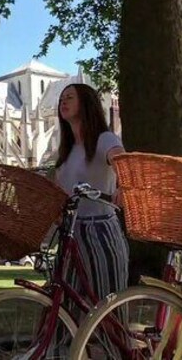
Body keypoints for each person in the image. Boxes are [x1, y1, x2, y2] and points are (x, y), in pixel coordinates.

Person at [54, 83, 128, 303]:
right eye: (61, 99)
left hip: (100, 228)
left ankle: (112, 339)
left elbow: (122, 162)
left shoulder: (104, 139)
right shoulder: (67, 150)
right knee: (64, 303)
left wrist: (124, 186)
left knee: (106, 303)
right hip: (70, 233)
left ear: (85, 104)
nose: (62, 102)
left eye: (69, 97)